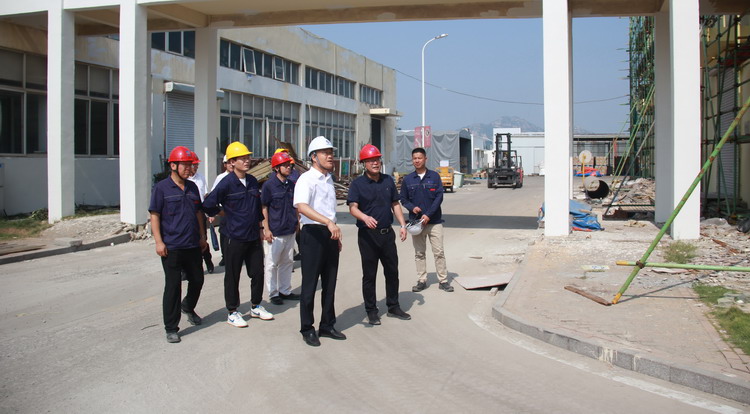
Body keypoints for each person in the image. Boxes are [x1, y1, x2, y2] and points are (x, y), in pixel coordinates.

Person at [203, 141, 273, 328]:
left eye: (247, 157)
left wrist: (261, 229)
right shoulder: (226, 183)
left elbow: (257, 208)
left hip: (253, 235)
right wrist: (223, 212)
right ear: (232, 162)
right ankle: (232, 311)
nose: (247, 160)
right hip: (234, 236)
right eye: (242, 158)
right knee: (232, 275)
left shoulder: (252, 181)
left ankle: (256, 306)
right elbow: (208, 204)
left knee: (257, 272)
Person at [148, 146, 208, 343]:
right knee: (173, 286)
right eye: (185, 165)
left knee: (197, 279)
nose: (189, 169)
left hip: (192, 244)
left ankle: (188, 306)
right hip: (172, 246)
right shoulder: (161, 188)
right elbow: (155, 215)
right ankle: (171, 327)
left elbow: (198, 213)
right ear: (173, 166)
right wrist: (159, 242)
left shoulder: (192, 188)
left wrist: (202, 236)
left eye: (190, 165)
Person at [348, 144, 411, 326]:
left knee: (392, 271)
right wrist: (364, 217)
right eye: (371, 160)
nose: (375, 163)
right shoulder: (357, 184)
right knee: (369, 275)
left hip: (387, 234)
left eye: (377, 159)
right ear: (364, 164)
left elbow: (395, 204)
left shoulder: (388, 181)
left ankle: (393, 306)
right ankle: (371, 310)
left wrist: (402, 225)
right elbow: (353, 207)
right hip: (367, 236)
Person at [293, 136, 345, 346]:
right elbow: (302, 206)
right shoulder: (306, 179)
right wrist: (327, 223)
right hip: (313, 234)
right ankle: (307, 328)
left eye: (331, 152)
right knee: (310, 284)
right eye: (325, 153)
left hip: (329, 234)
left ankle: (327, 324)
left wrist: (334, 232)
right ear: (314, 157)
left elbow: (329, 210)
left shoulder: (328, 179)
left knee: (330, 283)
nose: (330, 156)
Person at [399, 147, 454, 292]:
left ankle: (443, 280)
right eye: (414, 158)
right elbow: (403, 198)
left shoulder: (434, 177)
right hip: (417, 223)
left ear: (425, 159)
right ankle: (421, 280)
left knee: (439, 252)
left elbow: (439, 197)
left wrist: (429, 214)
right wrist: (412, 207)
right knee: (419, 253)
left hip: (434, 222)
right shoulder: (408, 179)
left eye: (419, 158)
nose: (417, 161)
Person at [261, 150, 300, 306]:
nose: (289, 168)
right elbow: (264, 207)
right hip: (275, 231)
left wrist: (297, 222)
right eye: (285, 165)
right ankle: (273, 293)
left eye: (289, 165)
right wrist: (266, 229)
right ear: (276, 168)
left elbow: (295, 205)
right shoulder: (269, 186)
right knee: (272, 264)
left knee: (287, 262)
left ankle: (285, 290)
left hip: (289, 229)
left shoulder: (291, 185)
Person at [188, 152, 214, 273]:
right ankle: (187, 270)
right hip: (188, 214)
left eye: (197, 165)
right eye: (194, 165)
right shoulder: (184, 180)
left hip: (200, 212)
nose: (196, 167)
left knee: (203, 239)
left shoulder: (201, 178)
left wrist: (210, 213)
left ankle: (208, 261)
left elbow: (205, 195)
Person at [211, 155, 232, 267]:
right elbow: (213, 194)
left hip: (236, 209)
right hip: (224, 209)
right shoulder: (221, 178)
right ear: (225, 165)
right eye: (228, 162)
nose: (231, 165)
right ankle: (225, 256)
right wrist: (216, 212)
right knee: (224, 232)